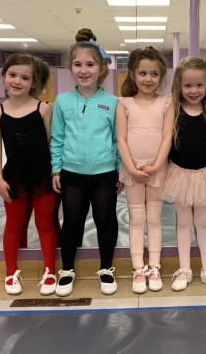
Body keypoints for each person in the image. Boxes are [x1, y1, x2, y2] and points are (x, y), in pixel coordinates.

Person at [51, 28, 122, 296]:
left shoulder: (112, 103)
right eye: (78, 64)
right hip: (72, 173)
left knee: (105, 219)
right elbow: (57, 138)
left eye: (90, 65)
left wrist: (119, 171)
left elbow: (117, 140)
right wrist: (56, 168)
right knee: (72, 221)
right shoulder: (63, 101)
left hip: (104, 173)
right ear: (70, 68)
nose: (84, 70)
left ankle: (106, 268)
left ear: (101, 68)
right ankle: (67, 269)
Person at [0, 53, 58, 295]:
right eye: (12, 75)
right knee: (14, 225)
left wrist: (55, 173)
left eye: (24, 77)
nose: (18, 81)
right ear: (4, 76)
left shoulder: (43, 109)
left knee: (46, 224)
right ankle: (11, 271)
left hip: (43, 178)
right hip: (14, 179)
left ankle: (50, 270)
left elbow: (52, 144)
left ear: (33, 82)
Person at [161, 57, 206, 292]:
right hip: (179, 174)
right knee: (183, 224)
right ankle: (185, 269)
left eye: (199, 85)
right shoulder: (172, 112)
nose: (193, 90)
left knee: (204, 223)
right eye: (188, 85)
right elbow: (166, 144)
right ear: (179, 86)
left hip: (205, 174)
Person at [116, 46, 174, 294]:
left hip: (157, 170)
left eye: (153, 74)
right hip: (132, 170)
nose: (148, 79)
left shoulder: (167, 102)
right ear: (132, 74)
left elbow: (167, 138)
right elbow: (121, 138)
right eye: (142, 73)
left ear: (161, 77)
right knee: (137, 219)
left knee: (154, 220)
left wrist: (156, 166)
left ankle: (155, 266)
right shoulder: (124, 103)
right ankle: (138, 268)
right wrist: (131, 168)